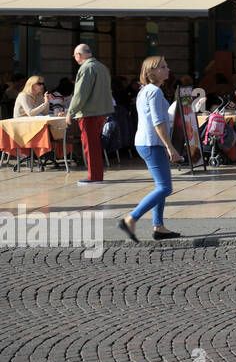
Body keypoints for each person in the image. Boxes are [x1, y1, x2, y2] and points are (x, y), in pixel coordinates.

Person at [117, 55, 182, 242]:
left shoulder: (146, 90)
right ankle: (131, 218)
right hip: (152, 143)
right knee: (165, 187)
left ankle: (159, 227)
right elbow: (158, 122)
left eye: (166, 65)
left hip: (147, 142)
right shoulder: (154, 91)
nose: (167, 69)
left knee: (160, 186)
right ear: (151, 72)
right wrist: (170, 147)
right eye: (163, 66)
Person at [65, 43, 113, 185]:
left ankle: (95, 176)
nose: (75, 58)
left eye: (75, 56)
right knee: (94, 144)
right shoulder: (102, 67)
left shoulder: (86, 68)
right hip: (101, 112)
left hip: (89, 113)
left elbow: (80, 94)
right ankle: (96, 174)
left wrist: (70, 112)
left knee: (90, 146)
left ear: (79, 55)